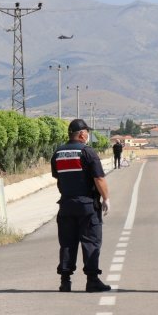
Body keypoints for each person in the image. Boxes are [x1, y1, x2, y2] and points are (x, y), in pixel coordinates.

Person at [51, 118, 111, 293]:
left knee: (67, 242)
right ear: (82, 134)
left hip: (66, 204)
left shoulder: (58, 153)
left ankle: (65, 281)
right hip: (86, 205)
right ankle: (92, 280)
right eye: (87, 133)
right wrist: (106, 199)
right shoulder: (87, 152)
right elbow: (99, 178)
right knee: (90, 241)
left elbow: (57, 176)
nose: (88, 136)